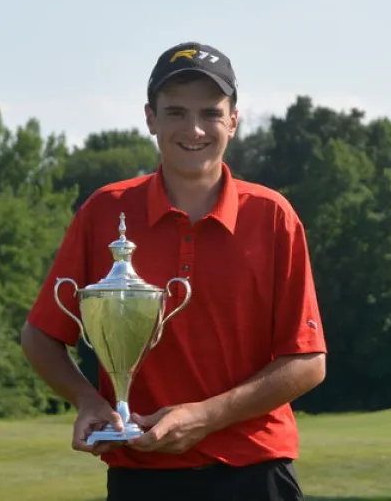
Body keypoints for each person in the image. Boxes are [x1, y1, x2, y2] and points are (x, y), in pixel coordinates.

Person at [20, 41, 327, 501]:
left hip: (253, 468)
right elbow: (40, 336)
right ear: (150, 118)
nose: (195, 129)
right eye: (176, 112)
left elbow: (307, 362)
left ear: (234, 121)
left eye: (210, 113)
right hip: (142, 471)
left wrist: (207, 416)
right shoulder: (106, 211)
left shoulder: (273, 216)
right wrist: (88, 400)